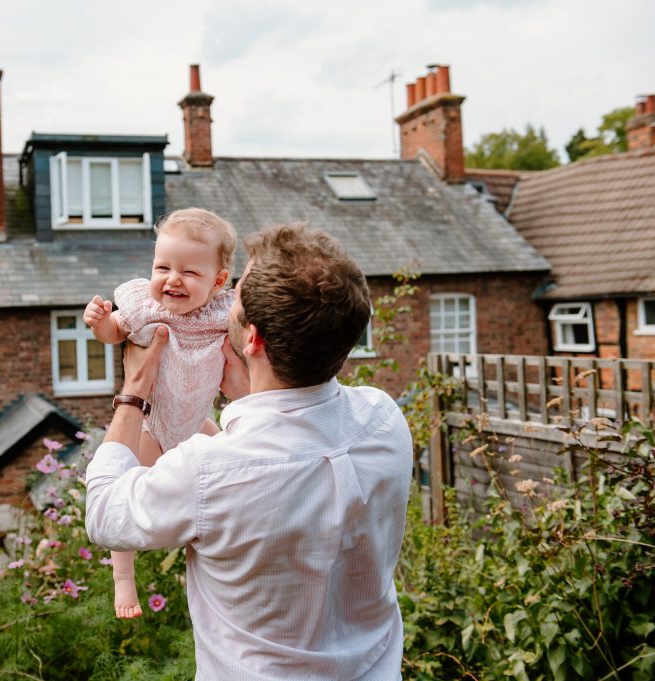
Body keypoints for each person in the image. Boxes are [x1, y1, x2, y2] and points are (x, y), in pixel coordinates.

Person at [86, 223, 413, 680]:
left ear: (253, 338)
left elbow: (105, 514)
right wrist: (247, 396)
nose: (225, 299)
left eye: (235, 294)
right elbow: (294, 451)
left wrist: (134, 390)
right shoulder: (384, 420)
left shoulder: (210, 470)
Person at [83, 207, 237, 619]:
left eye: (189, 272)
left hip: (197, 421)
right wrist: (100, 324)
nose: (172, 279)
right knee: (125, 489)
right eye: (163, 267)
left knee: (234, 472)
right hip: (152, 421)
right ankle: (123, 578)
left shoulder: (223, 313)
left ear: (218, 281)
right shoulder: (147, 309)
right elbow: (115, 332)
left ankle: (210, 553)